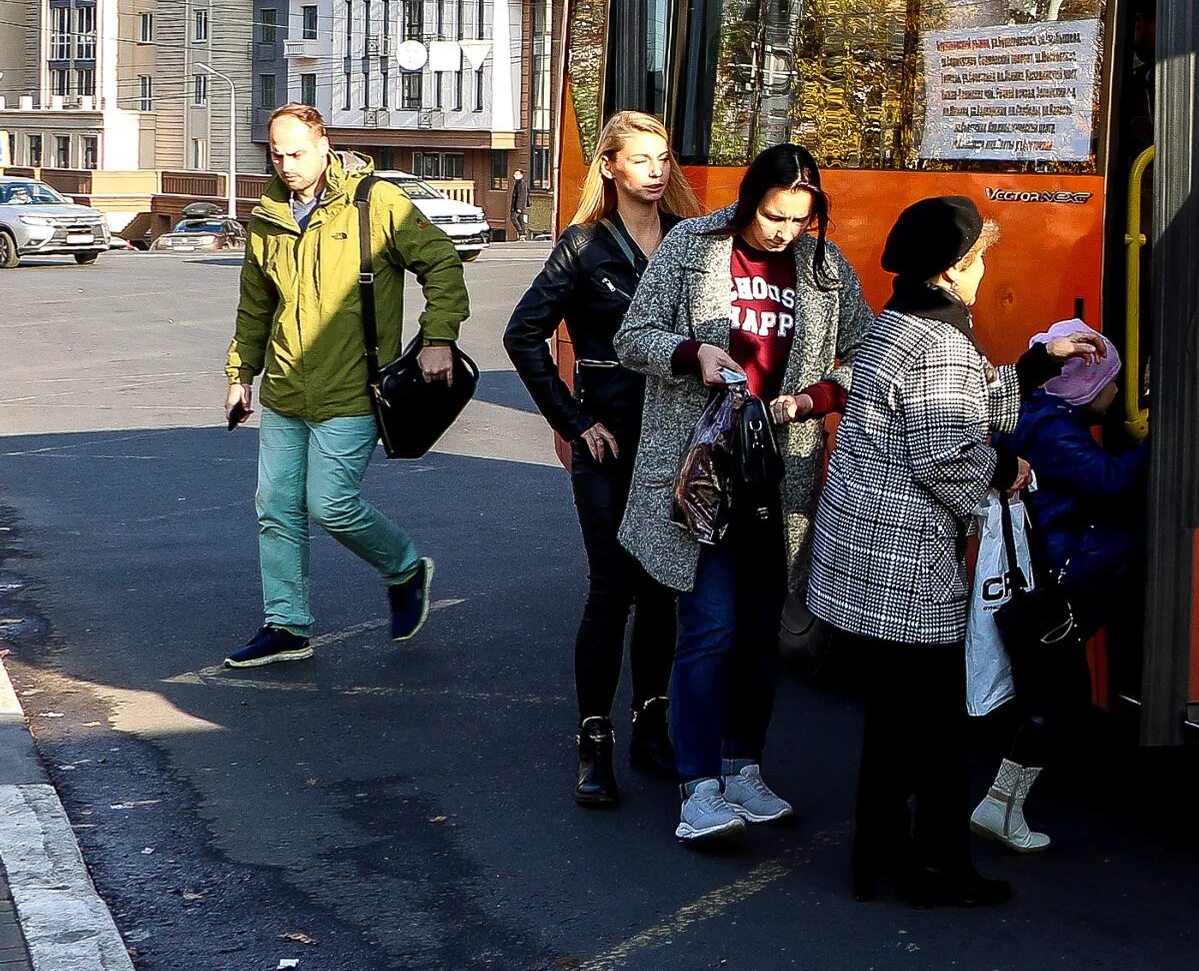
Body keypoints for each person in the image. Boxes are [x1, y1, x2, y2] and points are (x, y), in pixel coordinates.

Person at [615, 144, 869, 846]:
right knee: (712, 627)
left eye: (799, 216)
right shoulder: (692, 246)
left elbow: (867, 353)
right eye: (772, 214)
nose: (785, 230)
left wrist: (812, 399)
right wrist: (691, 354)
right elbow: (631, 334)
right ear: (749, 198)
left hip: (778, 471)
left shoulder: (823, 266)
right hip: (701, 468)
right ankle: (697, 785)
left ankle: (743, 767)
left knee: (761, 632)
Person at [806, 196, 1029, 906]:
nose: (984, 269)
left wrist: (1038, 369)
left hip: (863, 553)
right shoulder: (944, 343)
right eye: (978, 258)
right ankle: (938, 869)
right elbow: (945, 451)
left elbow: (956, 403)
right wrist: (1003, 471)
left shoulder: (896, 322)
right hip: (912, 565)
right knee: (935, 729)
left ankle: (876, 857)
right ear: (954, 269)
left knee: (893, 717)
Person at [220, 106, 467, 669]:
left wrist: (438, 337)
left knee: (329, 504)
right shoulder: (267, 218)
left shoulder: (373, 202)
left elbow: (443, 265)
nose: (285, 165)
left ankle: (404, 566)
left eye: (297, 153)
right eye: (276, 154)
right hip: (285, 389)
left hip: (352, 389)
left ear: (324, 143)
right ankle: (287, 625)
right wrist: (240, 376)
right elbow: (256, 308)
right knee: (275, 507)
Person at [503, 110, 699, 807]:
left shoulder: (689, 241)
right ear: (610, 166)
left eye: (664, 156)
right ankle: (594, 744)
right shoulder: (583, 244)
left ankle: (652, 727)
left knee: (662, 590)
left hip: (673, 442)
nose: (656, 169)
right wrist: (573, 418)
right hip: (608, 440)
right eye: (641, 158)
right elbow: (522, 335)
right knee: (611, 589)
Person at [973, 322, 1147, 853]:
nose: (1120, 393)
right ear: (1086, 389)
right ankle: (1000, 805)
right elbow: (1109, 482)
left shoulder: (1040, 414)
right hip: (1061, 578)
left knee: (1049, 691)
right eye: (1112, 383)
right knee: (1055, 696)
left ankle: (1001, 803)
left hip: (1045, 573)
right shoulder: (1054, 430)